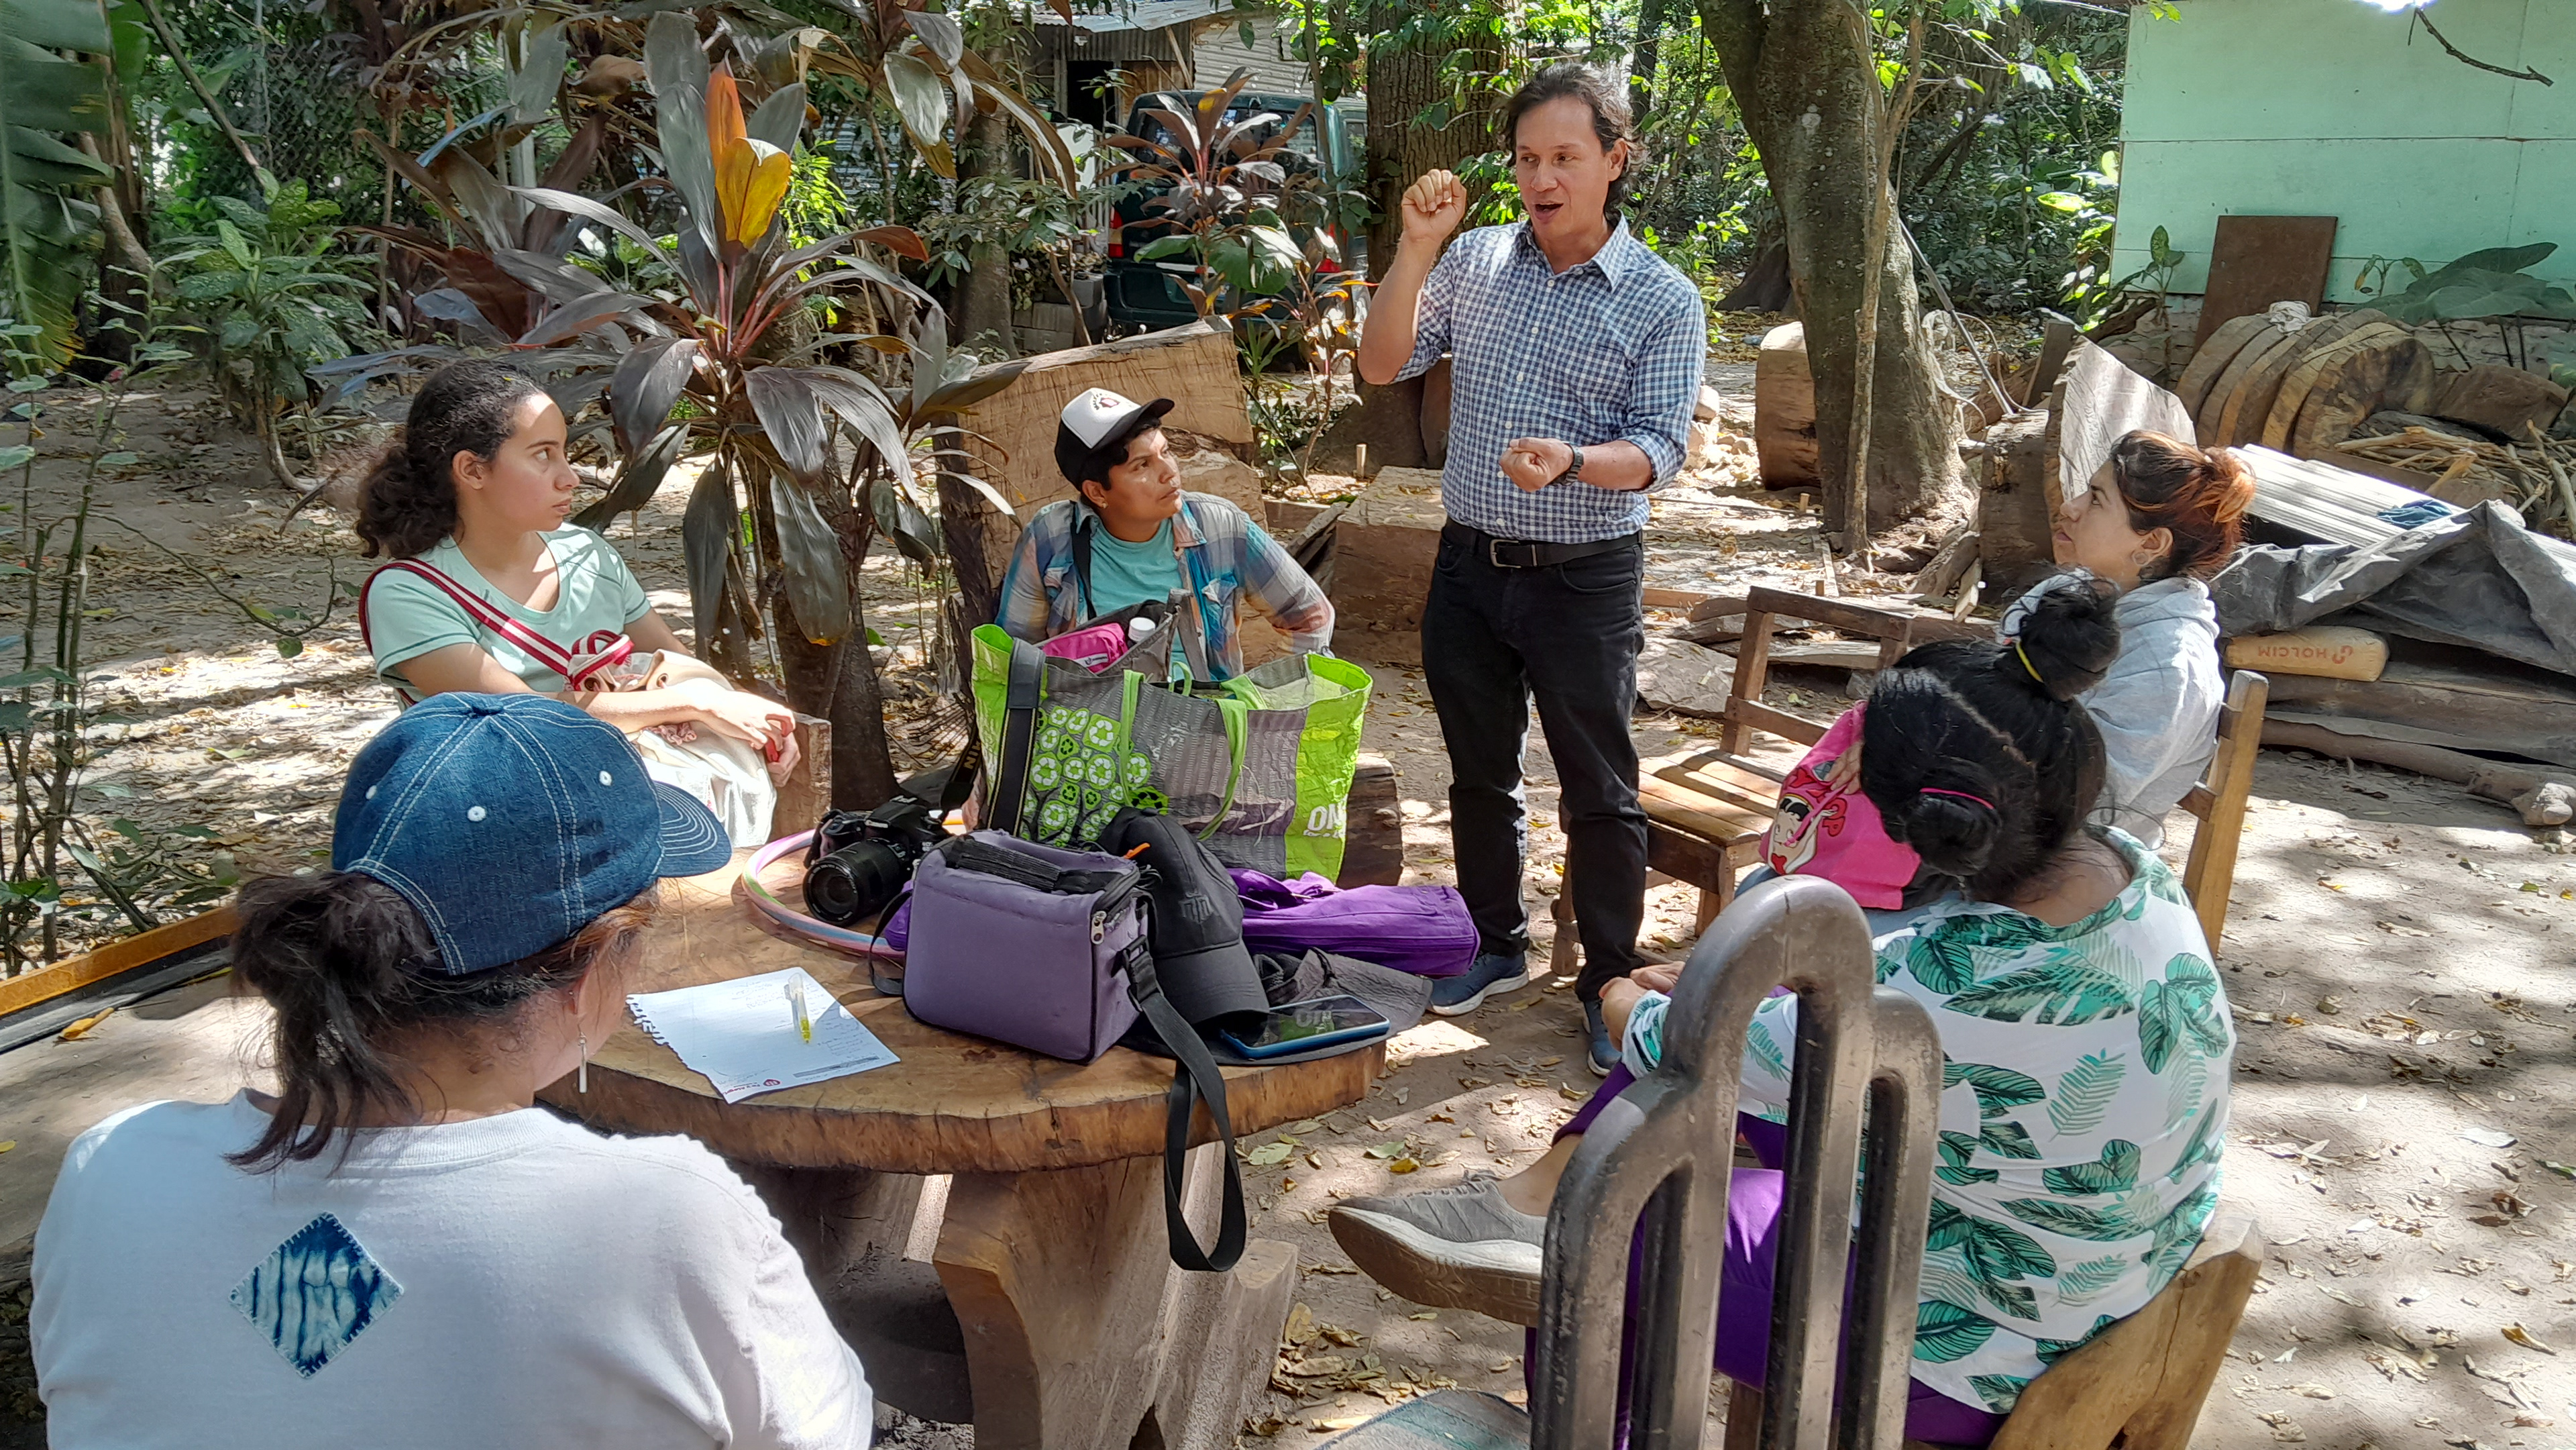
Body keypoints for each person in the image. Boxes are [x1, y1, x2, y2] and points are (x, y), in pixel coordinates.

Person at [1327, 581, 2235, 1442]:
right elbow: (1864, 1000)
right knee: (1695, 1091)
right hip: (2097, 1268)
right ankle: (1537, 1202)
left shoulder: (1945, 986)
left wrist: (1622, 990)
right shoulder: (2129, 873)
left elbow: (1666, 1045)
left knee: (1611, 1210)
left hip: (1978, 1344)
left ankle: (1555, 1242)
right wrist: (1729, 987)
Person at [30, 693, 875, 1448]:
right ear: (590, 970)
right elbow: (826, 1429)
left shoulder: (113, 1168)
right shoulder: (666, 1214)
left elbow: (313, 1356)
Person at [1354, 62, 1708, 1073]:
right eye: (1527, 158)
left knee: (1599, 787)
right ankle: (1497, 943)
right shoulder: (1472, 261)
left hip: (1587, 573)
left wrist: (1574, 464)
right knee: (1479, 772)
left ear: (1614, 161)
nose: (1542, 177)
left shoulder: (1660, 299)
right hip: (1469, 564)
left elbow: (1661, 450)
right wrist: (1415, 249)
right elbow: (1383, 364)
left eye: (1565, 156)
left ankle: (1609, 980)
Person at [356, 358, 796, 756]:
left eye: (564, 451)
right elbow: (523, 717)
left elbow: (676, 665)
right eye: (542, 455)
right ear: (473, 470)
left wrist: (755, 732)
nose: (570, 478)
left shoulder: (587, 554)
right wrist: (693, 704)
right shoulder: (408, 594)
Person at [996, 386, 1333, 680]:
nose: (1169, 472)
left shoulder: (1221, 528)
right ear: (1098, 493)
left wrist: (1271, 704)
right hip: (1091, 733)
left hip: (1202, 726)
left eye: (1166, 452)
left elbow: (1310, 615)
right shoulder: (1053, 538)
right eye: (1142, 465)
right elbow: (1014, 651)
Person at [2033, 429, 2252, 845]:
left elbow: (2076, 807)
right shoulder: (2065, 593)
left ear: (2151, 543)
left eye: (2096, 500)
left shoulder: (2167, 667)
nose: (2069, 507)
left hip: (2065, 879)